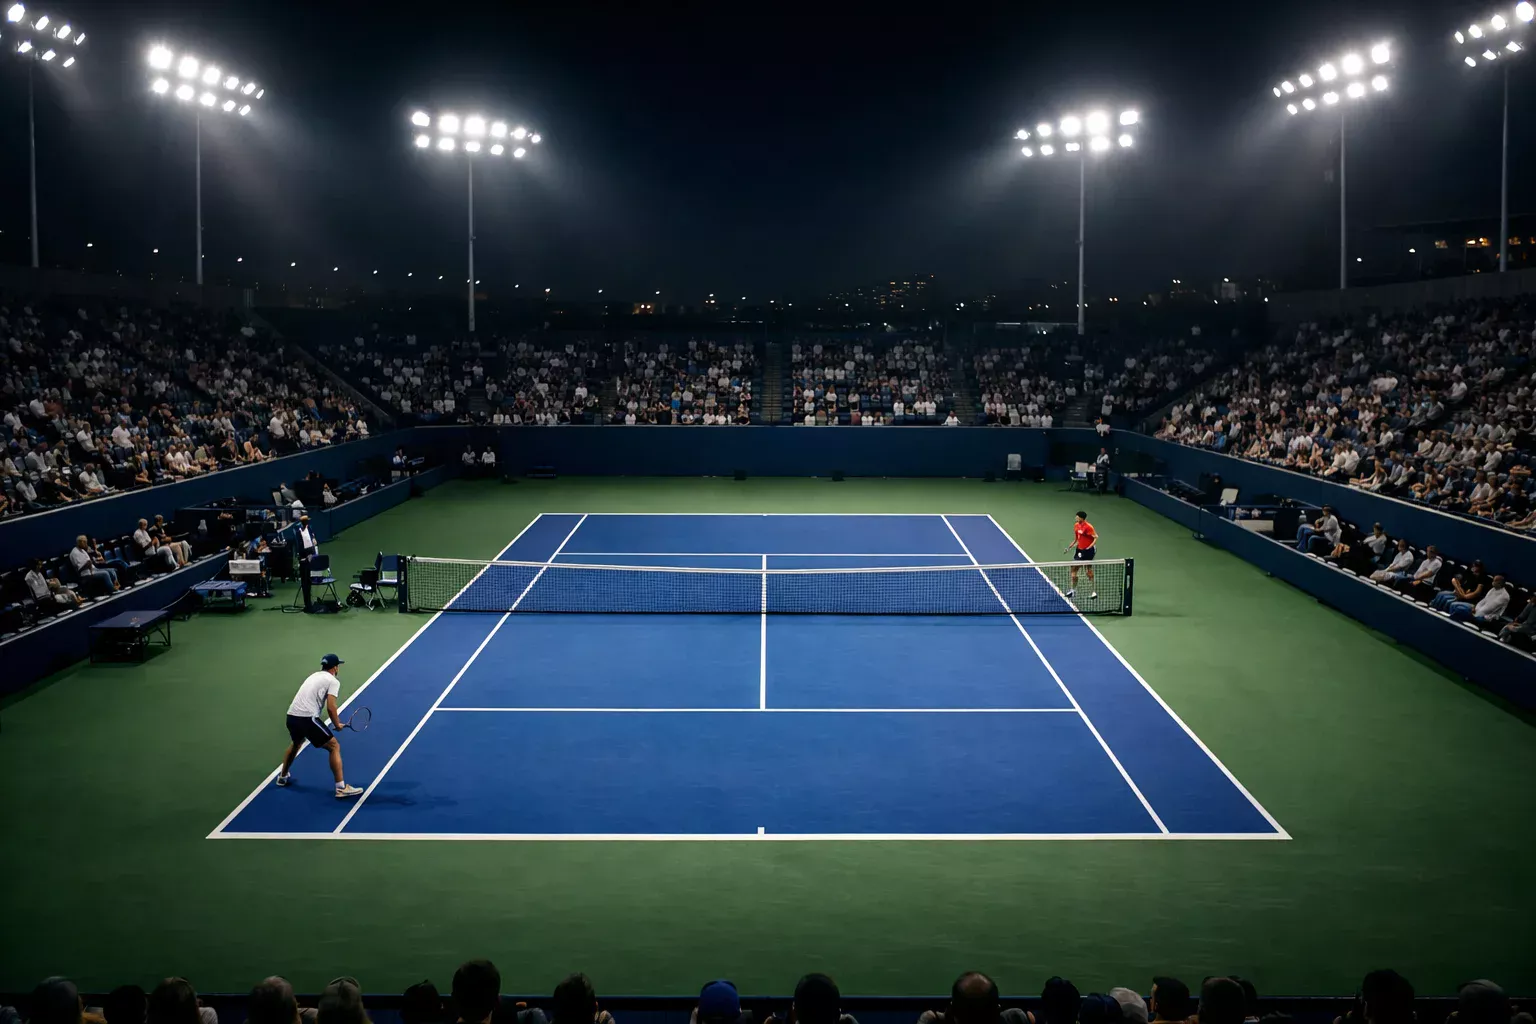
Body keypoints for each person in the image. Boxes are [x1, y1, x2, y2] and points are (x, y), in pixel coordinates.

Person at [276, 654, 363, 798]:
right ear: (335, 667)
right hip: (307, 718)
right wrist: (337, 724)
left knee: (296, 743)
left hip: (291, 716)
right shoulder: (333, 681)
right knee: (334, 746)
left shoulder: (313, 675)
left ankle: (282, 777)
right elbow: (331, 707)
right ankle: (341, 788)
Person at [1066, 510, 1098, 600]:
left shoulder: (1088, 527)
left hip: (1088, 551)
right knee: (1073, 569)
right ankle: (1072, 590)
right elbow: (1077, 538)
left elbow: (1096, 537)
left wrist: (1089, 547)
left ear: (1081, 518)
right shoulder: (1076, 525)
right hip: (1079, 550)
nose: (1075, 518)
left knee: (1088, 571)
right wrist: (1069, 547)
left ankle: (1093, 591)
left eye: (1077, 516)